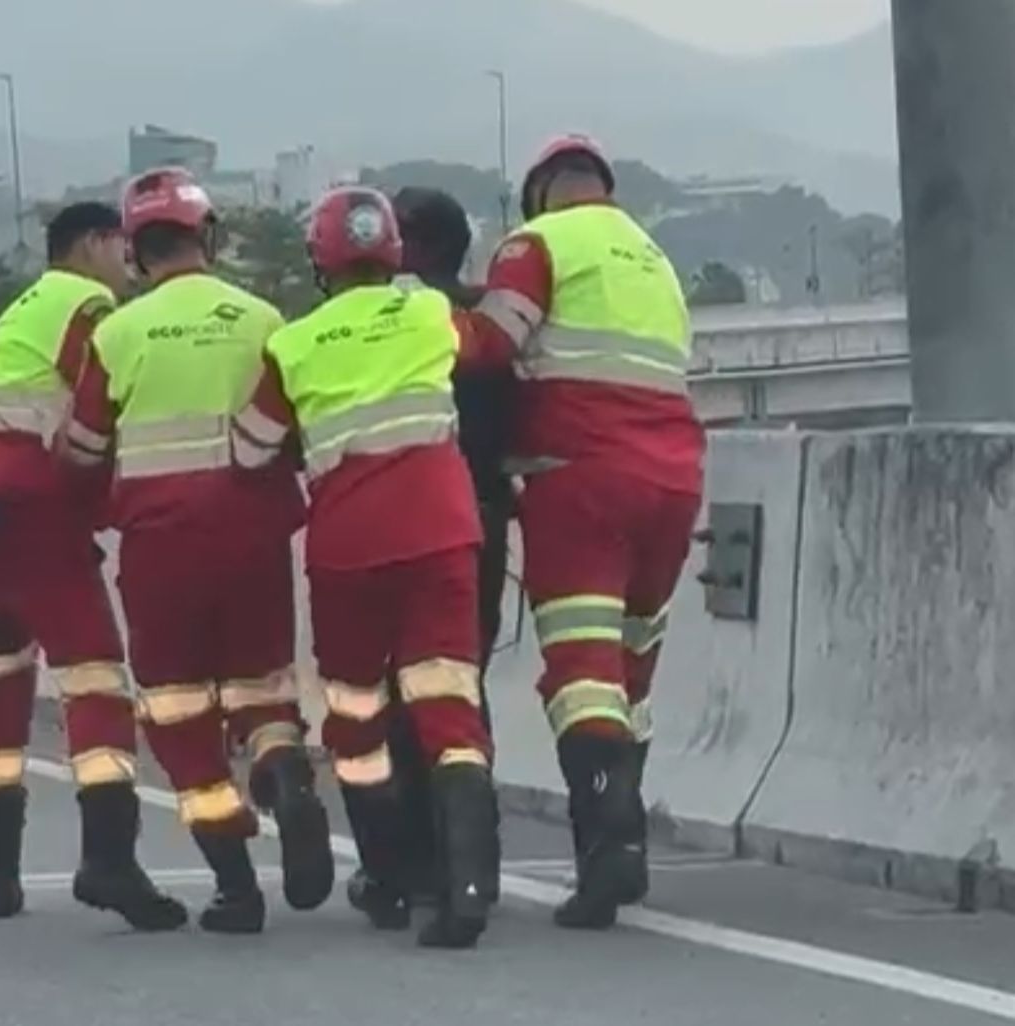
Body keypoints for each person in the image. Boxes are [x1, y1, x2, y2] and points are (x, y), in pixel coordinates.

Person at [63, 168, 334, 934]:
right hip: (254, 538)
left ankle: (238, 890)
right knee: (263, 692)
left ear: (138, 251)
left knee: (179, 715)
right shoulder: (261, 319)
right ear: (206, 237)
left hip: (158, 550)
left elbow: (82, 450)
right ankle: (283, 774)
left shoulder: (115, 333)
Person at [231, 186, 500, 950]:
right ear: (391, 251)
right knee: (449, 705)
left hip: (349, 548)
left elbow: (251, 448)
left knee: (355, 717)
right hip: (444, 532)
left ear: (319, 262)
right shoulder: (425, 314)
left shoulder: (293, 344)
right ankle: (468, 888)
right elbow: (486, 346)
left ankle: (387, 877)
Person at [455, 135, 705, 930]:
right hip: (674, 479)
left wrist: (423, 313)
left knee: (582, 669)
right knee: (631, 664)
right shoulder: (652, 257)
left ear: (541, 195)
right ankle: (622, 827)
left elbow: (489, 344)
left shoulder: (538, 244)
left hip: (580, 474)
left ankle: (611, 844)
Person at [0, 202, 186, 931]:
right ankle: (108, 860)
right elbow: (97, 409)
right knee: (97, 680)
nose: (128, 262)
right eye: (121, 245)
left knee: (0, 672)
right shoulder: (88, 302)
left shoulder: (26, 306)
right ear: (90, 244)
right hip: (33, 507)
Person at [341, 187, 512, 909]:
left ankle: (394, 867)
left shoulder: (375, 324)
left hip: (379, 531)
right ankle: (466, 867)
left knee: (378, 700)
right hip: (475, 525)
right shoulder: (478, 325)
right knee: (454, 689)